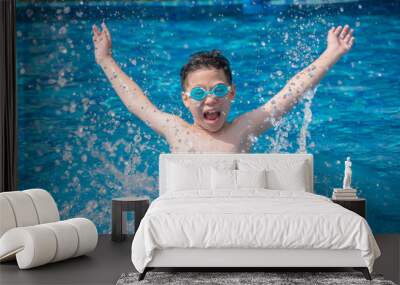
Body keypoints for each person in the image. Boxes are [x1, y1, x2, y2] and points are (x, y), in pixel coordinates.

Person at [92, 23, 354, 153]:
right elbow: (137, 104)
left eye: (218, 90)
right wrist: (106, 60)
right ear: (185, 100)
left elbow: (288, 95)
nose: (209, 100)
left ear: (231, 93)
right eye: (198, 93)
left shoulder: (242, 128)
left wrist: (332, 53)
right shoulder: (176, 130)